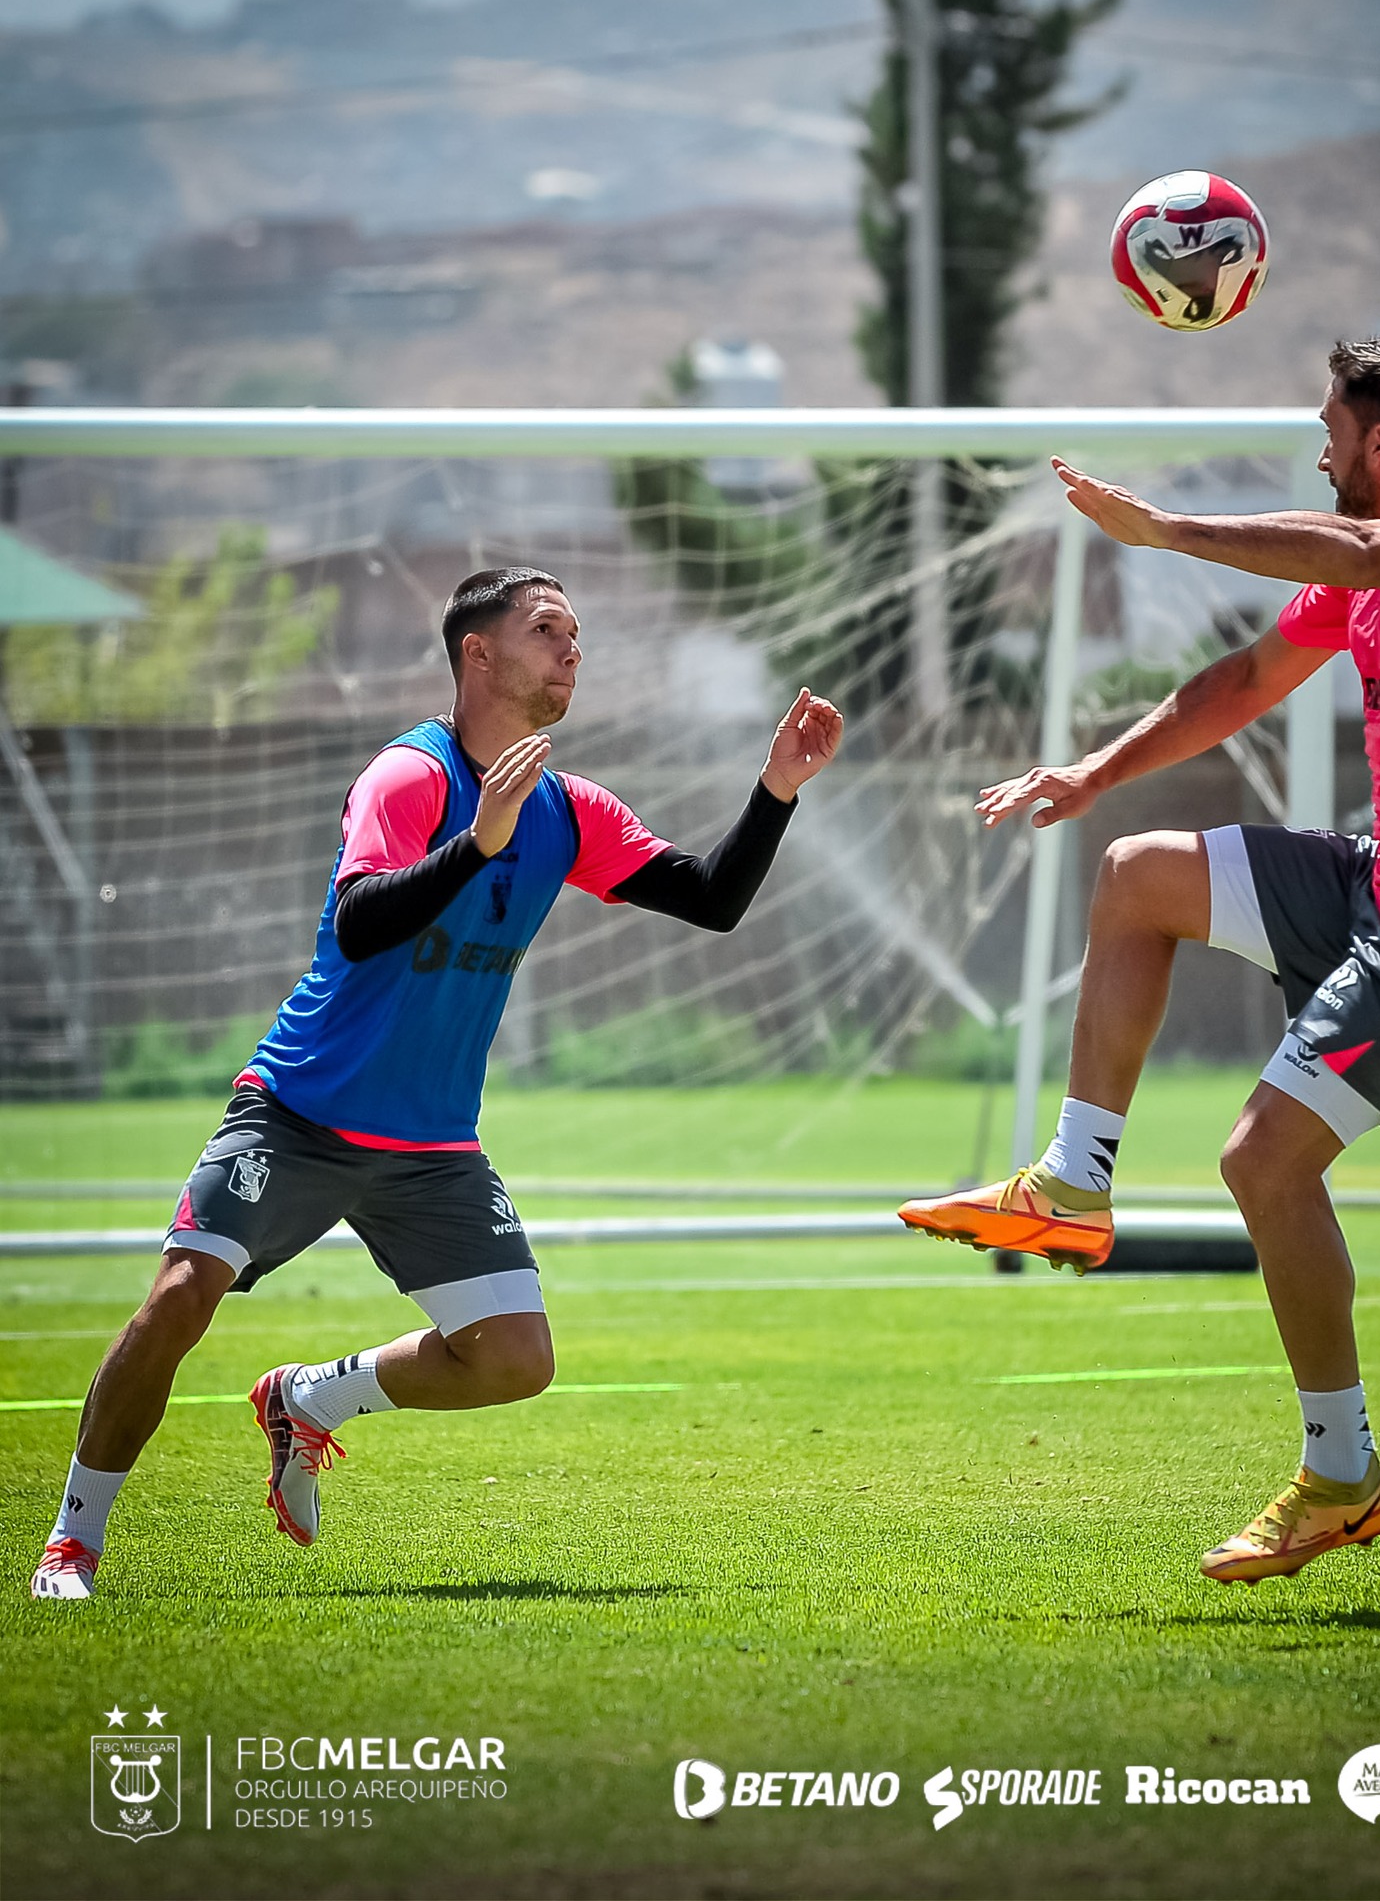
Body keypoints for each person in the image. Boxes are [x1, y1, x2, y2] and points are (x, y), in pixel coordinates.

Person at [900, 335, 1380, 1582]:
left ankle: (1340, 1473)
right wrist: (1092, 775)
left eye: (1331, 425)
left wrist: (1166, 533)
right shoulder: (1372, 567)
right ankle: (1073, 1182)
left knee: (1261, 1160)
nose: (1318, 448)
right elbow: (1251, 675)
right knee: (1134, 873)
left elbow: (1368, 549)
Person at [30, 567, 843, 1600]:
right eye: (549, 630)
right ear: (479, 653)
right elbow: (364, 919)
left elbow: (715, 898)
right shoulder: (407, 776)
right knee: (181, 1296)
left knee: (514, 1359)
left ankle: (310, 1398)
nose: (572, 651)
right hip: (297, 1114)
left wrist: (776, 789)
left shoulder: (569, 806)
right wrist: (477, 844)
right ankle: (72, 1542)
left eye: (577, 635)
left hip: (431, 1147)